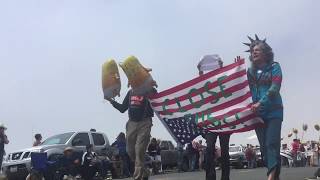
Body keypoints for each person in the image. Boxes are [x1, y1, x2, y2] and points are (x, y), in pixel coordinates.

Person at [245, 35, 283, 180]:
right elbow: (242, 89)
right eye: (252, 50)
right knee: (265, 149)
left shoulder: (275, 67)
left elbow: (275, 87)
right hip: (258, 114)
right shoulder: (250, 72)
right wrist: (236, 71)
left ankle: (270, 177)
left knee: (271, 144)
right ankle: (275, 176)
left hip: (274, 111)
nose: (254, 52)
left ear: (266, 53)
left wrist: (261, 102)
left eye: (257, 49)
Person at [106, 88, 156, 180]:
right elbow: (122, 109)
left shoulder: (147, 89)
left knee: (139, 149)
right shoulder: (130, 92)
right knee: (130, 151)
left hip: (145, 122)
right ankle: (144, 172)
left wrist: (149, 85)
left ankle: (137, 177)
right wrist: (111, 100)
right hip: (132, 123)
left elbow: (155, 94)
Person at [197, 55, 231, 180]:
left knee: (225, 150)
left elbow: (231, 79)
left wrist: (223, 67)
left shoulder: (223, 83)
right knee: (209, 148)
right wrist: (200, 71)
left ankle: (225, 178)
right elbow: (200, 84)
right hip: (211, 121)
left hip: (224, 121)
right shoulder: (208, 86)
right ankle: (210, 177)